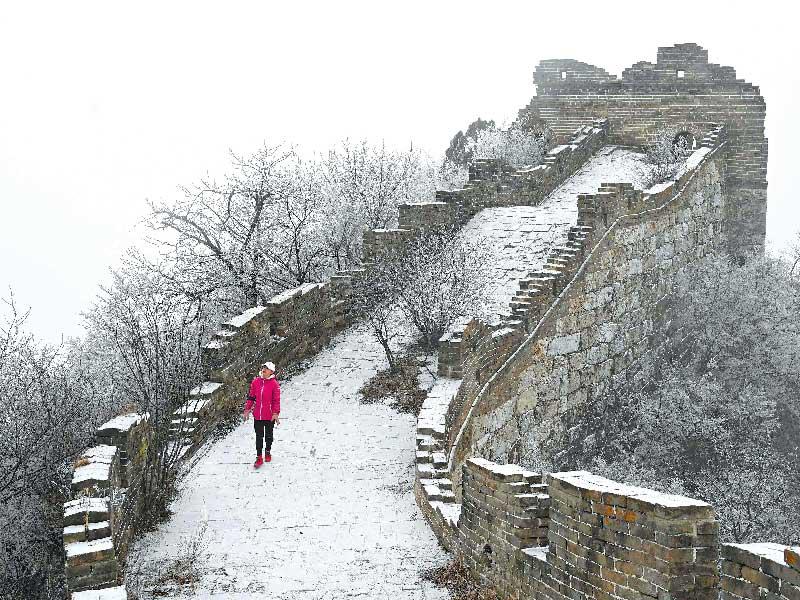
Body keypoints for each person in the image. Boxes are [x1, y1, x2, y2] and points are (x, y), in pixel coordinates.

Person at [243, 361, 281, 468]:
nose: (264, 370)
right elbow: (251, 397)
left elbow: (276, 400)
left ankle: (267, 451)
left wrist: (275, 413)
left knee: (269, 436)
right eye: (263, 368)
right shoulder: (256, 382)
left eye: (266, 368)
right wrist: (247, 409)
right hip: (258, 415)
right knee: (259, 436)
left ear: (271, 372)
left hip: (269, 416)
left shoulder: (274, 384)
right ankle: (259, 457)